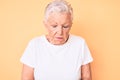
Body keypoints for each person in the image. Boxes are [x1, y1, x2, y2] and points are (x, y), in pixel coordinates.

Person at [20, 0, 93, 80]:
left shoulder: (80, 44)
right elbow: (26, 78)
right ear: (45, 24)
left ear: (71, 24)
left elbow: (87, 77)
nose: (60, 32)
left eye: (65, 26)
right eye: (54, 26)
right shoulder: (34, 45)